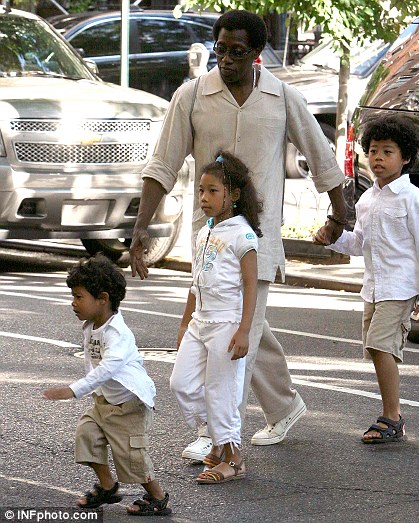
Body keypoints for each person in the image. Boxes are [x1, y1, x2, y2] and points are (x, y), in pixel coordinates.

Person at [130, 9, 348, 459]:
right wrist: (139, 228)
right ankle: (284, 406)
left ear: (256, 54)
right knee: (238, 324)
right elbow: (162, 165)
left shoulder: (282, 97)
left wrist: (340, 212)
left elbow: (320, 152)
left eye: (237, 52)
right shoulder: (191, 96)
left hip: (256, 240)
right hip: (208, 240)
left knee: (232, 338)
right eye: (220, 49)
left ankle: (219, 436)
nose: (226, 59)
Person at [314, 115, 419, 443]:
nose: (378, 158)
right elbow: (360, 244)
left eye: (388, 151)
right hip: (373, 288)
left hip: (400, 288)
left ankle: (392, 416)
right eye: (373, 151)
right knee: (375, 350)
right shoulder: (368, 199)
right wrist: (334, 239)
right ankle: (393, 414)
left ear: (406, 157)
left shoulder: (415, 200)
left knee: (379, 345)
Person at [42, 254, 171, 516]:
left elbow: (107, 368)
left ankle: (157, 496)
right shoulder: (92, 325)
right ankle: (108, 486)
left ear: (102, 298)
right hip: (103, 402)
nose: (73, 303)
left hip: (129, 405)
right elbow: (93, 363)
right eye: (73, 296)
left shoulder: (118, 333)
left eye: (79, 297)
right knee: (86, 437)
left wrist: (73, 390)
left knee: (131, 457)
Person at [170, 151, 261, 483]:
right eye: (201, 191)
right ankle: (217, 438)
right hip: (200, 321)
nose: (204, 198)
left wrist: (244, 330)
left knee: (221, 391)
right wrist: (185, 321)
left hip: (227, 324)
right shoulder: (202, 232)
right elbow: (195, 281)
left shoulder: (242, 235)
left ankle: (233, 458)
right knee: (181, 384)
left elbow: (251, 285)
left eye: (212, 191)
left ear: (233, 196)